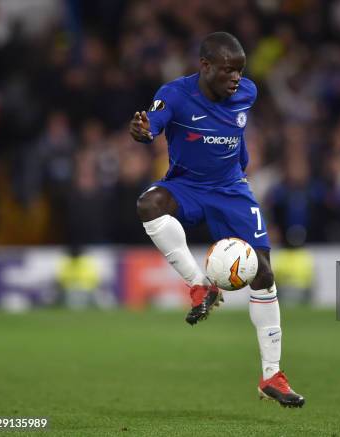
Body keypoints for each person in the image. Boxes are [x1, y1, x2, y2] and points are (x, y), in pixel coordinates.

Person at [129, 32, 305, 408]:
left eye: (240, 71)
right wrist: (143, 131)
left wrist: (241, 166)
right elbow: (153, 123)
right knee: (149, 204)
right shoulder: (176, 94)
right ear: (205, 66)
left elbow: (235, 133)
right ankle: (199, 286)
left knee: (264, 274)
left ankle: (272, 375)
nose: (236, 78)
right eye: (228, 70)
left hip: (230, 190)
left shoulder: (248, 93)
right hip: (187, 186)